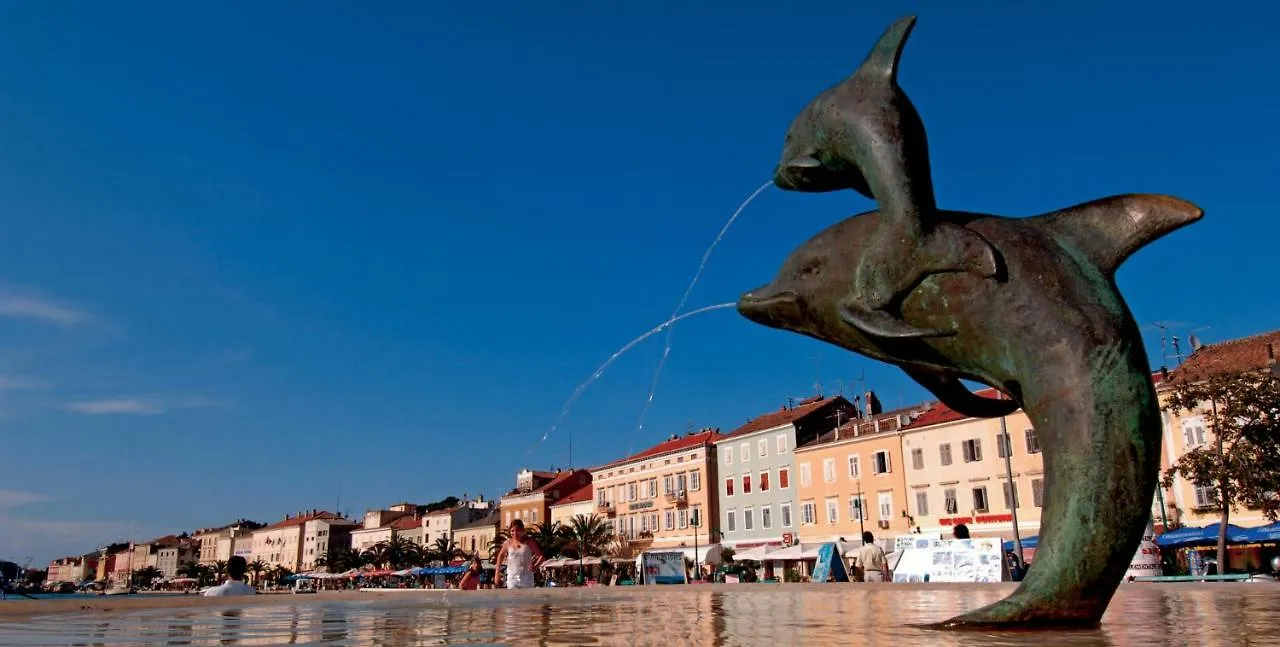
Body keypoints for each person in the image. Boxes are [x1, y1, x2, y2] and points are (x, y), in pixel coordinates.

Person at [494, 519, 544, 589]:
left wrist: (535, 566)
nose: (515, 533)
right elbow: (500, 556)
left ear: (522, 531)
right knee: (512, 599)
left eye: (518, 530)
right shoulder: (507, 543)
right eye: (512, 531)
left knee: (527, 599)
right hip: (512, 578)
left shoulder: (529, 542)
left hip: (527, 578)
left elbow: (541, 556)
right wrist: (497, 574)